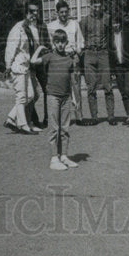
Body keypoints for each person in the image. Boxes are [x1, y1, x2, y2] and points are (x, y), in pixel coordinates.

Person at [31, 29, 80, 171]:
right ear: (54, 43)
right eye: (57, 42)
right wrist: (40, 48)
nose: (60, 45)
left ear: (66, 43)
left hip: (66, 97)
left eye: (62, 42)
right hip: (53, 96)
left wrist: (75, 98)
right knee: (54, 128)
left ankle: (64, 155)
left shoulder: (69, 60)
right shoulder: (49, 56)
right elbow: (33, 61)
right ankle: (54, 158)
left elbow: (72, 80)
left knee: (65, 128)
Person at [3, 3, 43, 135]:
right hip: (17, 66)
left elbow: (35, 46)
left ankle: (10, 118)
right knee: (21, 97)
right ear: (25, 13)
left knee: (31, 95)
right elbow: (10, 48)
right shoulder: (18, 28)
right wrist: (8, 66)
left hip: (27, 67)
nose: (34, 15)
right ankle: (23, 124)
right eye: (31, 12)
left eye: (36, 12)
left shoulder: (32, 29)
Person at [47, 0, 85, 124]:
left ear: (68, 11)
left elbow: (80, 41)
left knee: (76, 87)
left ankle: (79, 116)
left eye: (66, 11)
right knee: (60, 88)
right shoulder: (51, 26)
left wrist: (77, 51)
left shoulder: (74, 24)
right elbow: (49, 44)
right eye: (61, 12)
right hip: (58, 60)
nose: (64, 14)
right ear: (57, 13)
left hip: (72, 57)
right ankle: (60, 118)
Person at [80, 0, 115, 125]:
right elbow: (81, 37)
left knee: (108, 85)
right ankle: (94, 117)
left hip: (103, 53)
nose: (97, 8)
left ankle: (111, 116)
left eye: (99, 6)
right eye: (95, 6)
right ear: (90, 6)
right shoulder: (84, 21)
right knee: (91, 87)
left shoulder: (107, 18)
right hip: (89, 53)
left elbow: (110, 36)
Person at [110, 15, 129, 125]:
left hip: (128, 66)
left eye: (117, 22)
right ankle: (128, 115)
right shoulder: (110, 37)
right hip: (117, 67)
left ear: (120, 23)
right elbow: (110, 55)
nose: (115, 25)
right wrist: (112, 71)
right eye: (113, 23)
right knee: (123, 91)